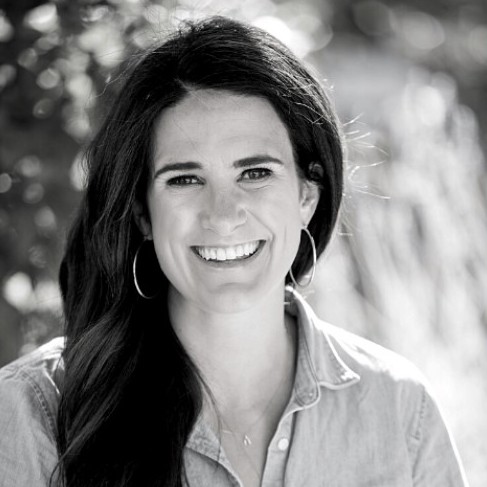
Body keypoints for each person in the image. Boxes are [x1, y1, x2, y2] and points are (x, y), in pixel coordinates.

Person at [0, 16, 469, 487]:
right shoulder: (33, 412)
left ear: (308, 196)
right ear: (143, 212)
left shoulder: (400, 411)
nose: (223, 216)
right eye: (185, 179)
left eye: (255, 173)